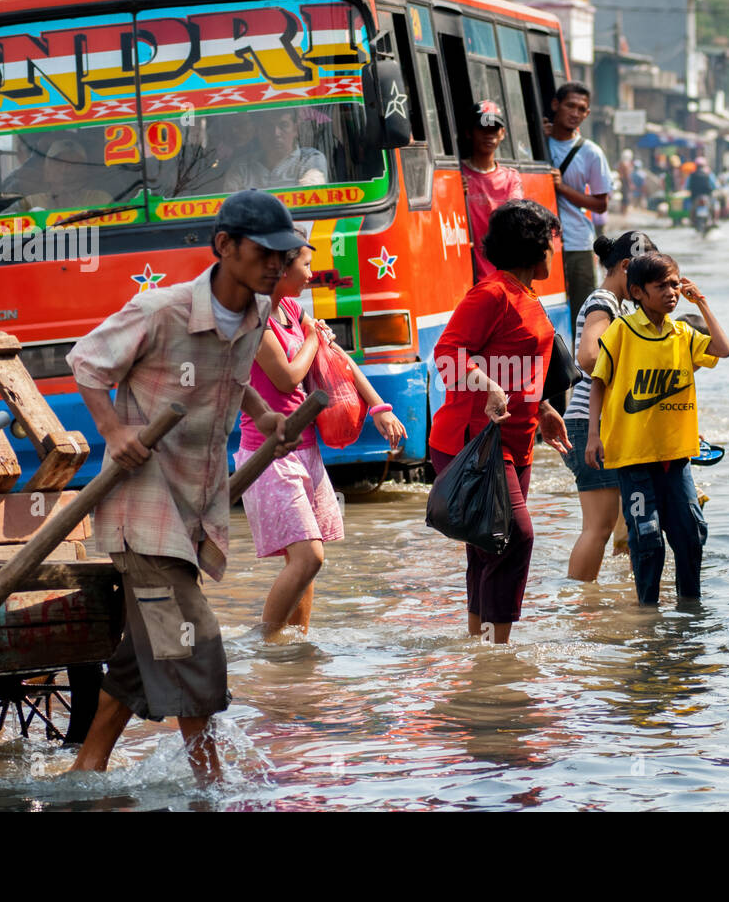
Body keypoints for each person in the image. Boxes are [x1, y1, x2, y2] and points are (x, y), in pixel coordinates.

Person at [66, 189, 299, 783]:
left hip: (195, 505)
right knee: (194, 637)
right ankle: (211, 784)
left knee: (145, 649)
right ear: (225, 246)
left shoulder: (257, 313)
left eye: (284, 254)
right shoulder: (161, 309)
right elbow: (86, 361)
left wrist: (264, 415)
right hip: (142, 511)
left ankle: (87, 767)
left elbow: (234, 373)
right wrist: (114, 429)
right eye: (265, 252)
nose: (277, 264)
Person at [239, 237, 407, 638]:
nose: (312, 275)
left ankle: (296, 645)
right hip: (269, 457)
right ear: (280, 267)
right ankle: (262, 643)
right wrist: (315, 336)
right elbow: (287, 376)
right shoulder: (254, 322)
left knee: (307, 558)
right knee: (308, 557)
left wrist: (379, 408)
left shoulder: (293, 310)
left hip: (308, 451)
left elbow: (339, 360)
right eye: (306, 266)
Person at [428, 199, 572, 644]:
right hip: (474, 442)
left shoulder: (526, 294)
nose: (555, 250)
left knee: (489, 546)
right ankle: (497, 652)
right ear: (535, 246)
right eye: (552, 241)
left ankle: (480, 650)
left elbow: (521, 364)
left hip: (518, 441)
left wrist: (545, 410)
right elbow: (446, 354)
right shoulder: (491, 293)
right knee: (516, 538)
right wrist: (486, 384)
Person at [585, 252, 729, 604]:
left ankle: (690, 610)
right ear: (637, 291)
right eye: (661, 285)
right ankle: (648, 615)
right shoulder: (621, 331)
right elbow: (598, 382)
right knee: (647, 537)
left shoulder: (682, 333)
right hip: (634, 457)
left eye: (675, 283)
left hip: (676, 455)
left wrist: (703, 305)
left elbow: (724, 349)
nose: (672, 291)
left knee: (690, 534)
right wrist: (594, 435)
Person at [562, 230, 655, 581]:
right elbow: (588, 357)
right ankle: (581, 606)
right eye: (647, 278)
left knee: (617, 529)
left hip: (598, 423)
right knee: (597, 528)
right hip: (590, 423)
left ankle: (606, 601)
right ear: (628, 267)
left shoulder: (614, 304)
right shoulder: (604, 301)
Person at [548, 82, 613, 326]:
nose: (575, 113)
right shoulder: (536, 143)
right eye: (570, 106)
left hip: (577, 243)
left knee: (583, 316)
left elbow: (600, 204)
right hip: (541, 243)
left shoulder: (591, 153)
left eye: (581, 109)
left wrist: (561, 187)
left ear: (587, 114)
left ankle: (582, 364)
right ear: (556, 105)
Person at [460, 99, 524, 283]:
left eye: (494, 129)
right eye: (482, 129)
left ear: (502, 133)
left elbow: (514, 218)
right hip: (467, 275)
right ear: (469, 133)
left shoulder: (511, 178)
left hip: (503, 275)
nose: (489, 135)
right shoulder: (456, 177)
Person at [17, 139, 111, 211]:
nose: (65, 169)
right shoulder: (31, 203)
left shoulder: (100, 200)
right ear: (46, 172)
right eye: (58, 162)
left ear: (85, 172)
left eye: (73, 163)